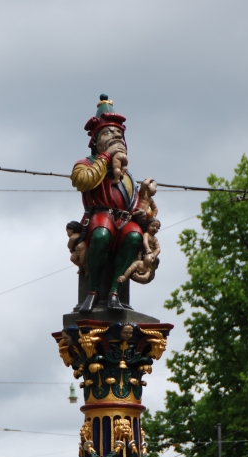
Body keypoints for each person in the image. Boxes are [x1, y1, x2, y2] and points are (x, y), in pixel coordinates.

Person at [70, 94, 155, 313]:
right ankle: (94, 291)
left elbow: (133, 203)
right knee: (101, 234)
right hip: (99, 216)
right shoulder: (85, 164)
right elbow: (83, 181)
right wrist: (106, 158)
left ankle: (115, 292)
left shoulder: (128, 177)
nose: (116, 137)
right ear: (96, 141)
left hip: (122, 219)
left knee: (134, 235)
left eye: (119, 134)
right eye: (108, 133)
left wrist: (141, 213)